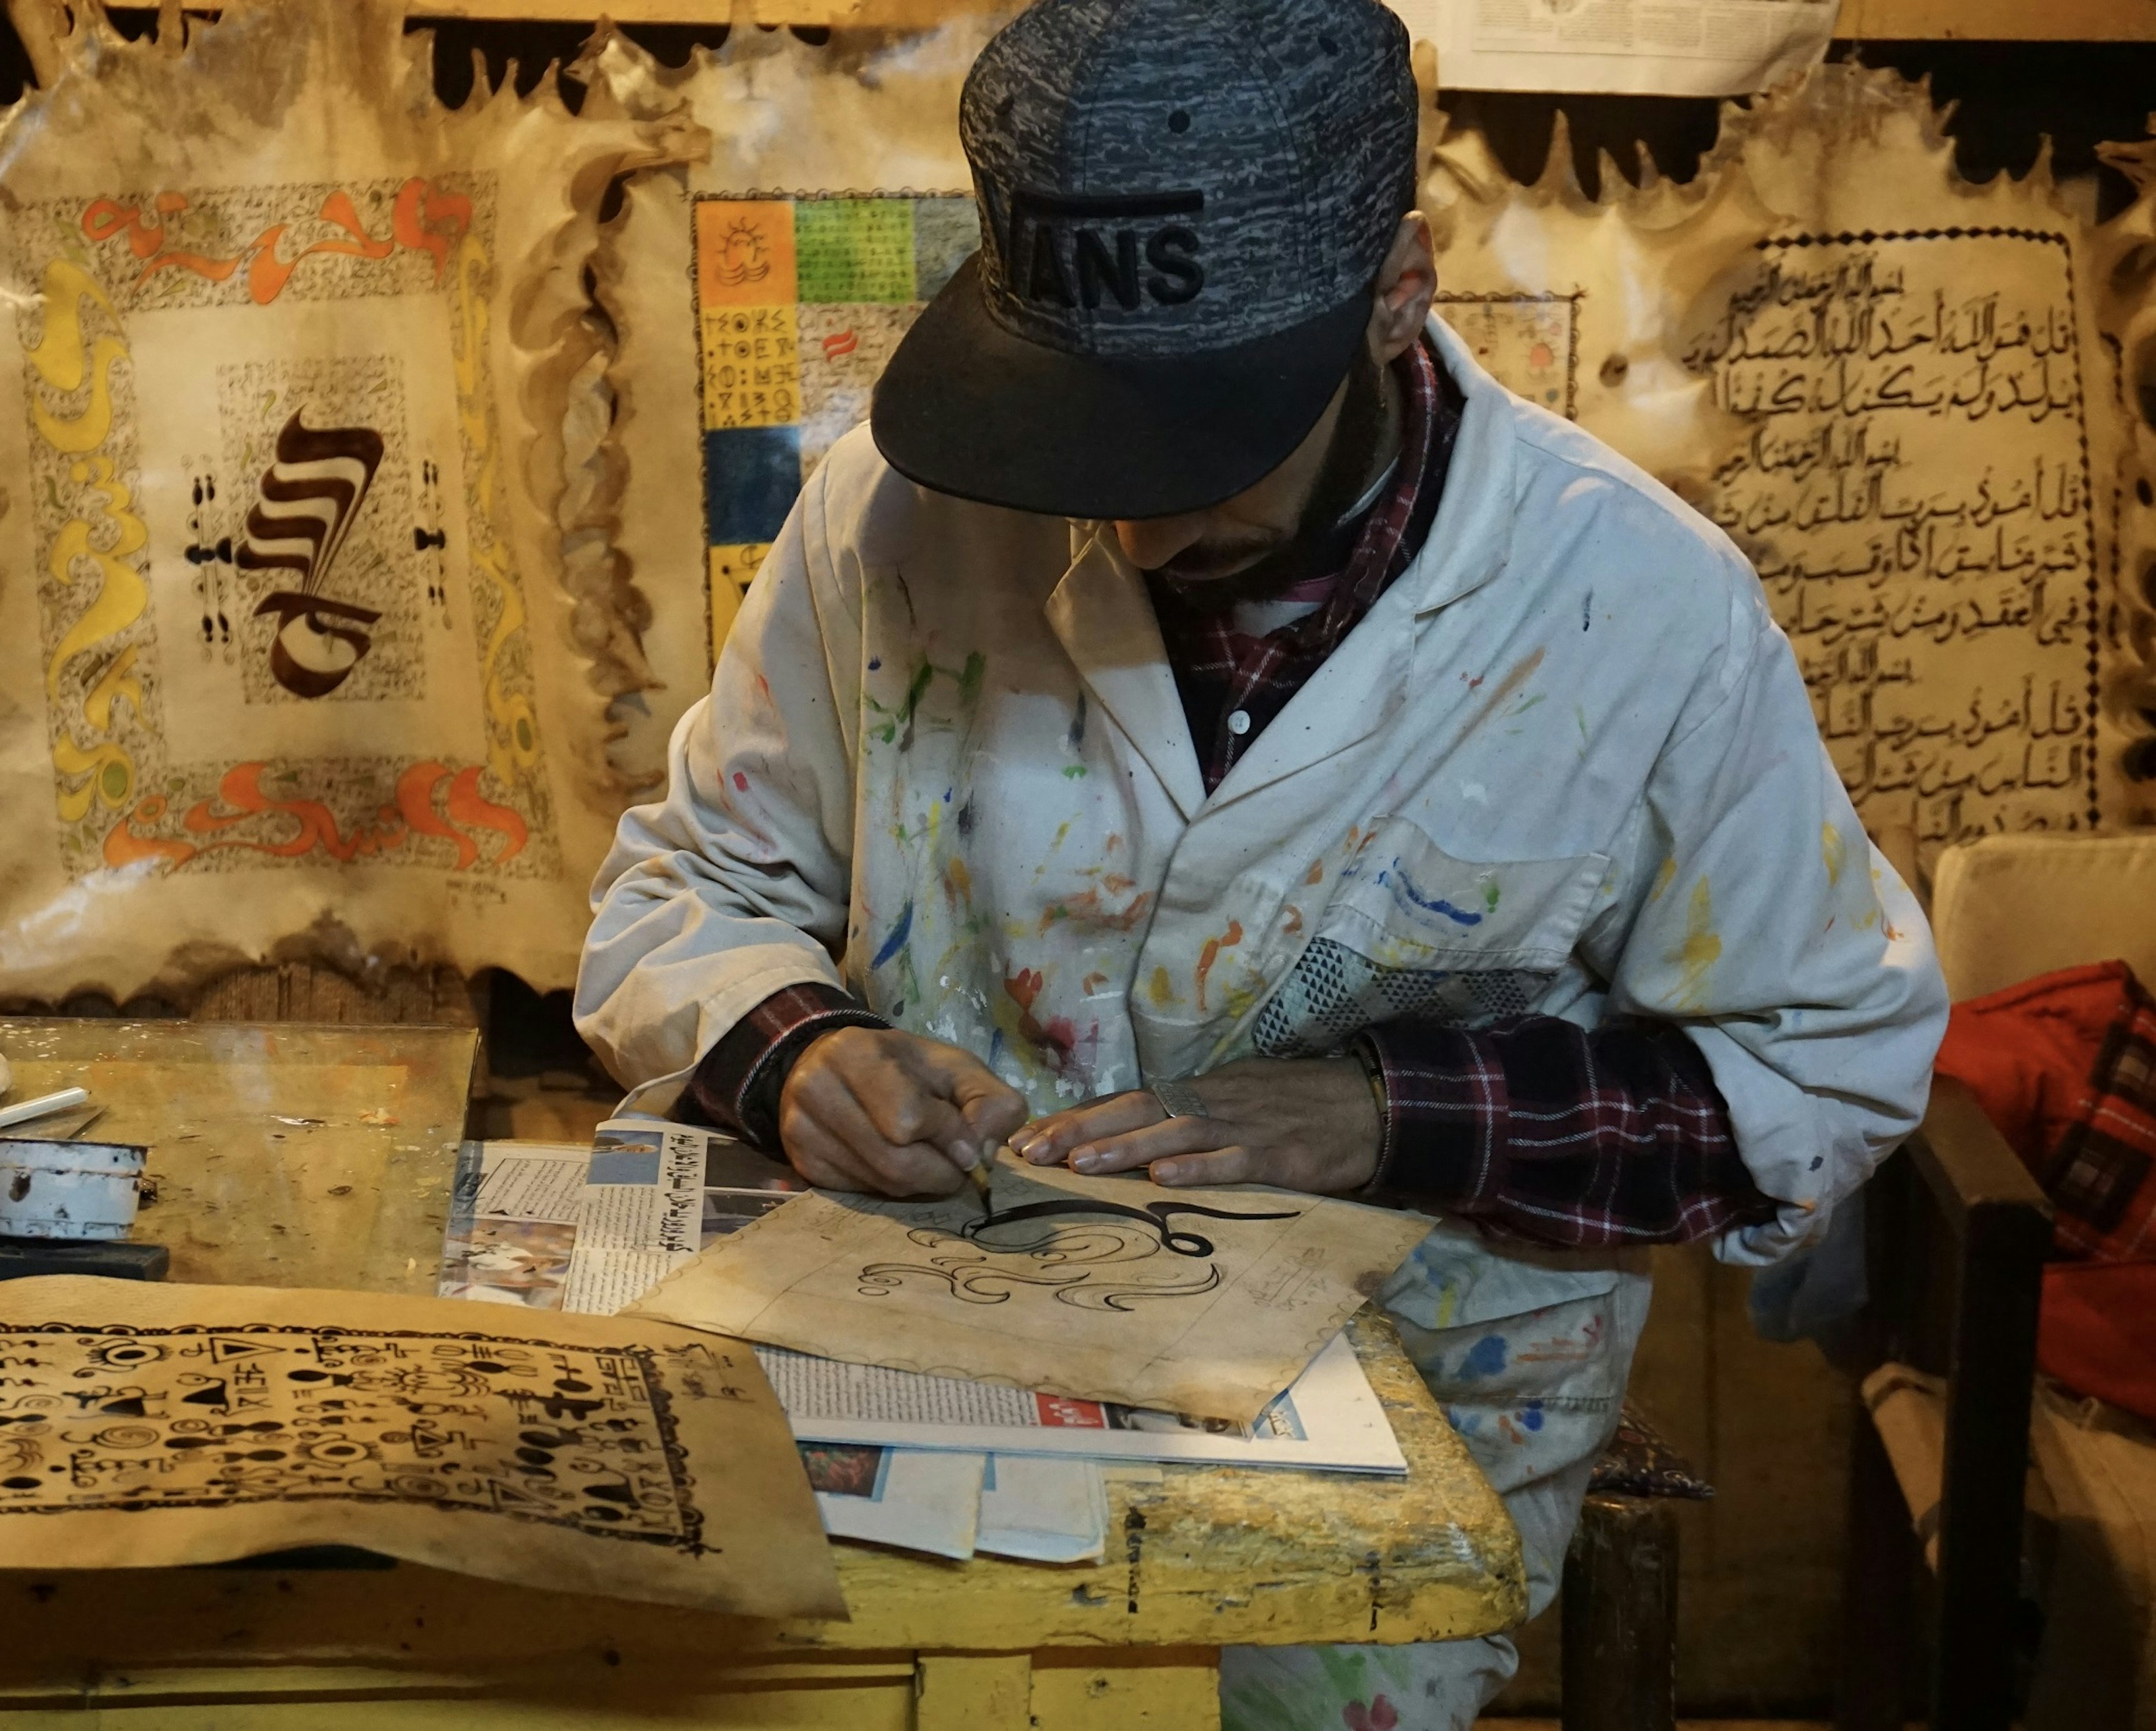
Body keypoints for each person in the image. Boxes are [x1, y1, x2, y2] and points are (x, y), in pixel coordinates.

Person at [576, 0, 1948, 1722]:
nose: (1136, 525)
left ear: (1398, 285)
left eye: (1201, 444)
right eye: (1088, 443)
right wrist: (795, 1047)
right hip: (902, 1400)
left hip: (1367, 1478)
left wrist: (1388, 1112)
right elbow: (681, 893)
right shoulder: (893, 513)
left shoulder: (1639, 612)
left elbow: (1823, 1074)